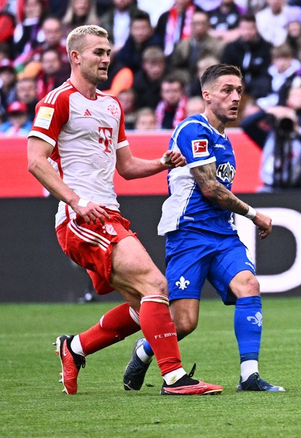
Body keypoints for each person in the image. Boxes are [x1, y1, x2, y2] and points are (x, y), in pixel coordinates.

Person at [27, 25, 221, 395]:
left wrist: (162, 163)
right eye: (98, 52)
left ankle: (75, 347)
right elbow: (36, 162)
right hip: (79, 217)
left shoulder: (112, 105)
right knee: (156, 284)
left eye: (108, 51)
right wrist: (76, 201)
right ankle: (174, 377)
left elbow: (127, 167)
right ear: (75, 57)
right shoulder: (57, 100)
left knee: (142, 306)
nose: (106, 58)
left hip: (108, 214)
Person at [123, 64, 283, 393]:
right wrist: (254, 214)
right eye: (227, 90)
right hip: (189, 234)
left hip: (223, 235)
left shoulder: (226, 139)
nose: (235, 97)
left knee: (249, 285)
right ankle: (144, 349)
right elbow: (210, 188)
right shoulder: (192, 129)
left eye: (238, 90)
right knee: (184, 323)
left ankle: (249, 376)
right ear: (206, 95)